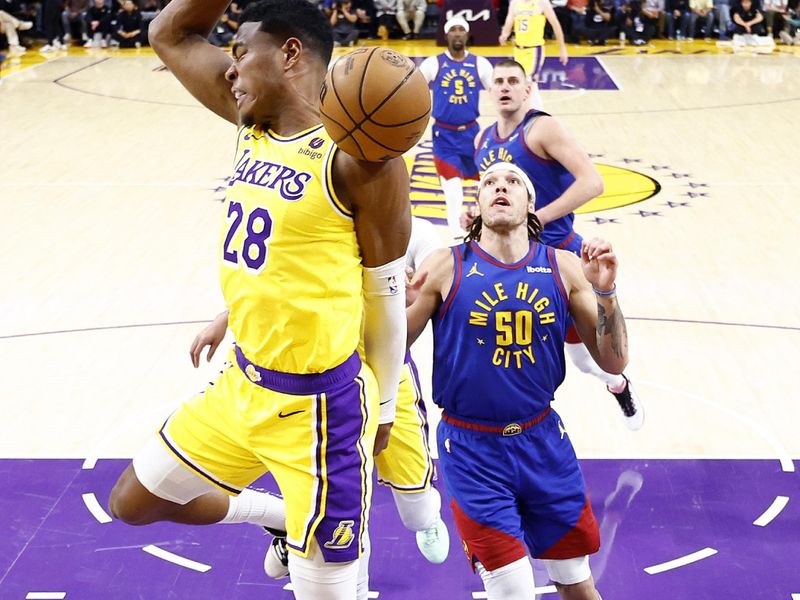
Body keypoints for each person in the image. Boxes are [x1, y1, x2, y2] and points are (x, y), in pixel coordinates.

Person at [106, 1, 411, 599]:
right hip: (241, 384)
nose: (231, 69)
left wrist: (384, 411)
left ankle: (311, 534)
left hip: (322, 413)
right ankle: (275, 518)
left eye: (242, 51)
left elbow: (384, 294)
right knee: (133, 503)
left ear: (291, 53)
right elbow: (170, 31)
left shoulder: (358, 156)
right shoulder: (252, 118)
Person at [406, 162, 629, 599]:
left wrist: (606, 292)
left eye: (512, 182)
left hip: (542, 440)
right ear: (478, 205)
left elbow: (615, 361)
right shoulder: (444, 266)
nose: (500, 186)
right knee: (512, 590)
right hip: (472, 450)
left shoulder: (564, 267)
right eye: (489, 182)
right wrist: (398, 308)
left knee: (577, 583)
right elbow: (389, 354)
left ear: (531, 204)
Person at [188, 217, 451, 580]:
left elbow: (432, 287)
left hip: (388, 375)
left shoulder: (415, 231)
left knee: (416, 508)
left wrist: (410, 297)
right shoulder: (319, 220)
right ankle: (295, 528)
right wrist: (226, 317)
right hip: (326, 379)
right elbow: (278, 281)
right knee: (343, 499)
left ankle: (426, 518)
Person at [473, 59, 643, 430]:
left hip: (559, 256)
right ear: (490, 90)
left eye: (512, 81)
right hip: (510, 265)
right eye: (498, 81)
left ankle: (618, 385)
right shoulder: (482, 140)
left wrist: (539, 217)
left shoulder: (541, 128)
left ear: (527, 87)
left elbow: (592, 182)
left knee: (585, 360)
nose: (504, 87)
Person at [418, 17, 493, 241]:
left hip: (472, 134)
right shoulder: (434, 63)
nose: (458, 33)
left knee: (485, 183)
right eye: (453, 30)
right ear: (447, 35)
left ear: (467, 35)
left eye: (461, 29)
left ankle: (485, 223)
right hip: (444, 135)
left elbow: (497, 92)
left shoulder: (480, 64)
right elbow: (414, 90)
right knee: (452, 188)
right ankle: (455, 231)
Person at [499, 0, 569, 111]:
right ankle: (526, 112)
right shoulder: (515, 2)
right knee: (521, 82)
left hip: (534, 50)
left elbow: (555, 24)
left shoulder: (541, 3)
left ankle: (538, 113)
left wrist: (562, 48)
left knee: (529, 82)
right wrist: (505, 34)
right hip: (518, 49)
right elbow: (509, 19)